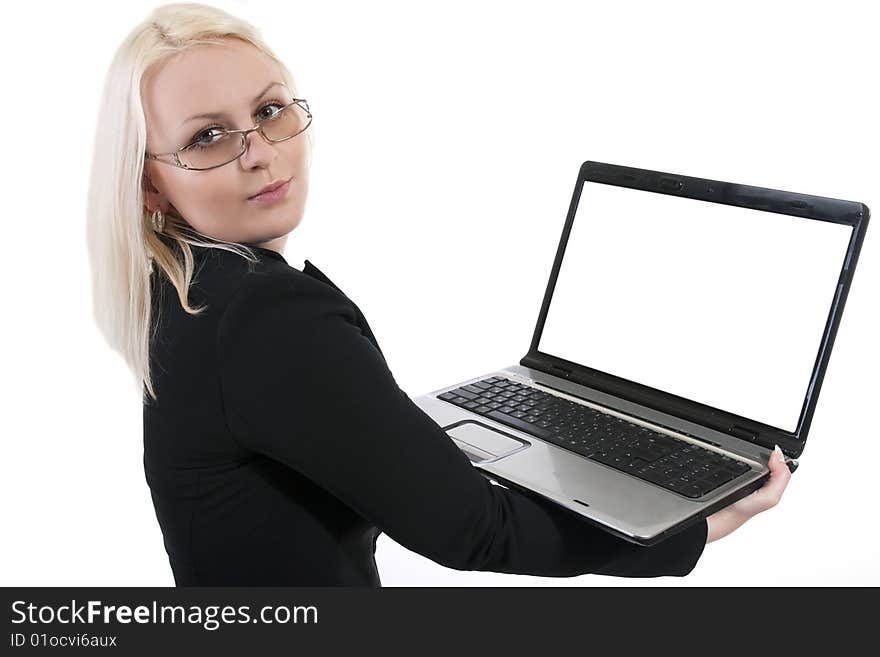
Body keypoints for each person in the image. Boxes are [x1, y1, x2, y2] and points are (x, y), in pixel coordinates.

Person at [85, 3, 791, 586]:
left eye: (269, 110)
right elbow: (476, 529)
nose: (259, 151)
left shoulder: (186, 291)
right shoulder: (263, 319)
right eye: (207, 136)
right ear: (150, 184)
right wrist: (687, 534)